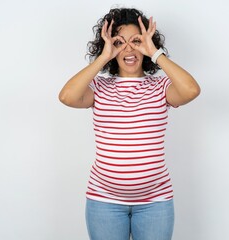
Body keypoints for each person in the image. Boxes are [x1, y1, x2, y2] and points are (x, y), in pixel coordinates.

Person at [59, 7, 200, 240]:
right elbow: (67, 97)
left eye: (136, 41)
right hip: (104, 201)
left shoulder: (160, 87)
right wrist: (104, 57)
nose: (128, 48)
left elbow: (191, 90)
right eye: (119, 42)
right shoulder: (100, 88)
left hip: (155, 202)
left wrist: (155, 53)